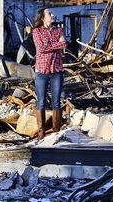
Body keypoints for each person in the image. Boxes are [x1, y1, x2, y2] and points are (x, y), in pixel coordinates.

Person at [31, 7, 67, 139]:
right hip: (41, 71)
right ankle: (41, 131)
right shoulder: (36, 31)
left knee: (56, 102)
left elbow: (64, 44)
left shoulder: (58, 30)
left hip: (57, 70)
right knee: (41, 102)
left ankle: (56, 130)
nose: (52, 15)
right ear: (43, 17)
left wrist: (54, 45)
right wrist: (57, 44)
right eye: (49, 14)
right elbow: (41, 48)